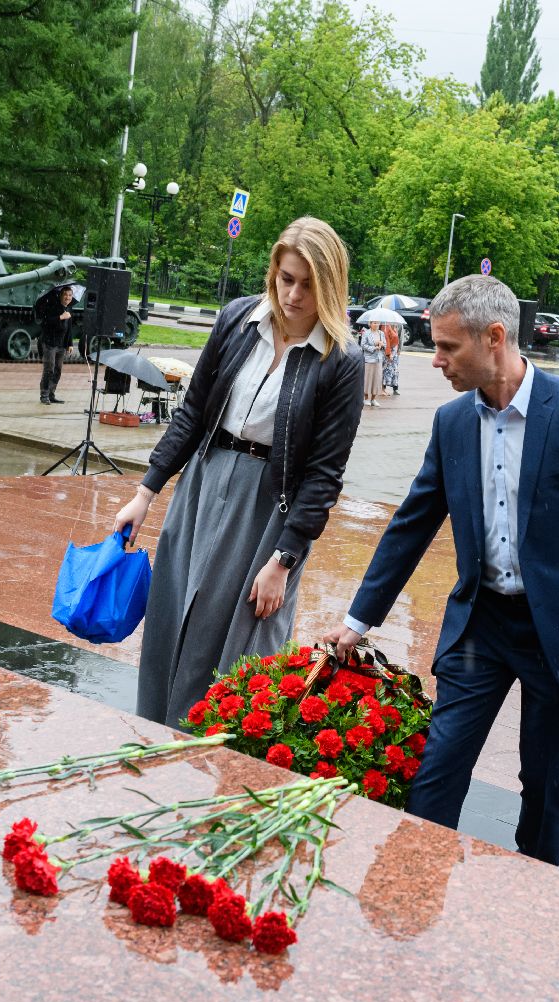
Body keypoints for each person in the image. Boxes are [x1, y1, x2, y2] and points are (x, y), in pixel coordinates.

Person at [326, 273, 559, 866]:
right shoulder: (451, 422)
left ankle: (529, 897)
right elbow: (412, 523)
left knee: (546, 788)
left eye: (447, 347)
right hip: (483, 626)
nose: (435, 360)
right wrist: (357, 620)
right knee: (438, 768)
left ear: (494, 337)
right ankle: (413, 882)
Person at [119, 217, 363, 729]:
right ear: (273, 272)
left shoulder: (340, 359)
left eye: (308, 284)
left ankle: (216, 744)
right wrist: (145, 492)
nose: (293, 295)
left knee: (239, 632)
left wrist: (285, 558)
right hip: (204, 481)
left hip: (269, 505)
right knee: (175, 610)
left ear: (330, 285)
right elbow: (193, 412)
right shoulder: (238, 319)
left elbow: (324, 474)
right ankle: (157, 729)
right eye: (286, 279)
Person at [34, 285, 77, 404]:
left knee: (58, 370)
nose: (68, 297)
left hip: (61, 344)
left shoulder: (69, 309)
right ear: (60, 296)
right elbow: (45, 323)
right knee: (49, 369)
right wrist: (60, 317)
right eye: (65, 295)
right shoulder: (52, 307)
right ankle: (44, 395)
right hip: (49, 343)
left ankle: (51, 394)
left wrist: (70, 344)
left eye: (70, 295)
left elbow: (69, 328)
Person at [359, 321, 386, 407]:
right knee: (368, 379)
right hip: (369, 360)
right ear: (370, 324)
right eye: (374, 323)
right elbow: (363, 345)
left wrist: (382, 345)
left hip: (378, 359)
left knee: (377, 379)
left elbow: (385, 344)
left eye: (377, 323)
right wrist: (374, 347)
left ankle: (373, 399)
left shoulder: (381, 333)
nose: (376, 324)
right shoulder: (366, 333)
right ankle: (366, 398)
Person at [381, 321, 401, 396]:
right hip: (389, 351)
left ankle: (395, 388)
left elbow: (400, 338)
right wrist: (388, 353)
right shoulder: (385, 325)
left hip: (395, 352)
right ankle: (383, 389)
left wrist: (399, 350)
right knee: (386, 370)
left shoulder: (398, 325)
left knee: (395, 370)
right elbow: (386, 340)